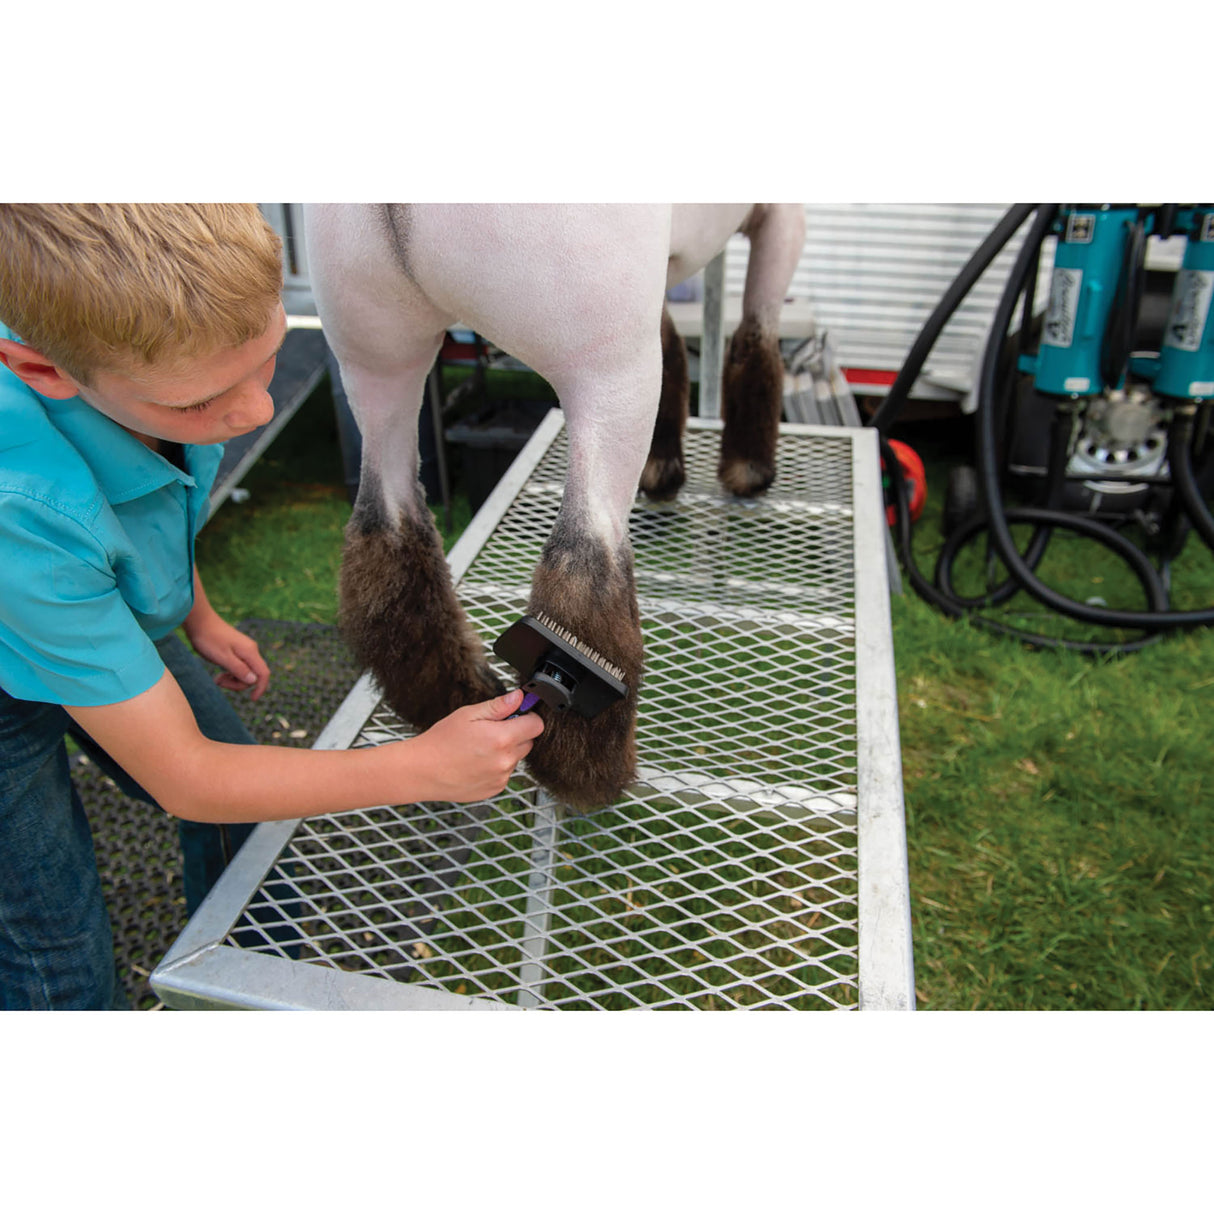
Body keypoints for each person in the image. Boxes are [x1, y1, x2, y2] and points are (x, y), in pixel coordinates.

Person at [0, 204, 543, 1010]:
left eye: (270, 359)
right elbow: (187, 777)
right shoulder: (22, 512)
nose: (255, 413)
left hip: (72, 607)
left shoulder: (170, 374)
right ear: (43, 371)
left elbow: (152, 503)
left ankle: (241, 993)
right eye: (202, 404)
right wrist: (417, 768)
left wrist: (196, 613)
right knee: (56, 945)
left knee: (251, 825)